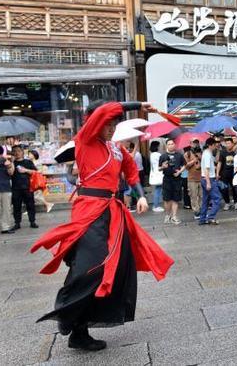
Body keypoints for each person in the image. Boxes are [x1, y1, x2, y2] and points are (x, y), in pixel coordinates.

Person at [30, 100, 173, 351]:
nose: (111, 127)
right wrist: (138, 104)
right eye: (107, 123)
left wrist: (140, 195)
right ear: (93, 120)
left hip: (113, 213)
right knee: (90, 266)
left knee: (114, 268)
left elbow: (130, 172)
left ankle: (79, 330)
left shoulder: (117, 150)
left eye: (114, 124)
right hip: (89, 210)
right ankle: (68, 309)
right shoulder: (85, 139)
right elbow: (105, 112)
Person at [11, 145, 38, 230]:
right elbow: (9, 173)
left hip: (28, 187)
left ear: (22, 152)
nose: (17, 153)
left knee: (30, 205)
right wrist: (11, 162)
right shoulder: (12, 163)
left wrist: (25, 170)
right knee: (16, 206)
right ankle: (17, 223)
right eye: (14, 151)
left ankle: (32, 221)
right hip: (15, 188)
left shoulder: (28, 162)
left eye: (18, 151)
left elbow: (35, 172)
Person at [159, 139, 185, 225]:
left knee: (176, 199)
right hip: (167, 179)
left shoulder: (179, 155)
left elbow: (184, 165)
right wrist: (163, 167)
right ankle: (167, 215)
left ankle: (174, 216)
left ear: (175, 145)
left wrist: (179, 172)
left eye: (172, 144)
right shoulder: (163, 156)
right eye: (169, 144)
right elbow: (158, 168)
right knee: (167, 199)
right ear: (166, 146)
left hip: (177, 179)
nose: (171, 145)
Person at [200, 138, 221, 225]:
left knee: (206, 200)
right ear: (210, 145)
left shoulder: (206, 153)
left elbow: (215, 161)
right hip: (209, 179)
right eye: (214, 145)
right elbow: (207, 170)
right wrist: (208, 182)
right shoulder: (207, 155)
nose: (216, 146)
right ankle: (211, 217)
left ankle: (202, 219)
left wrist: (218, 152)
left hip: (204, 179)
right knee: (217, 199)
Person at [218, 137, 237, 211]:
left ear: (232, 144)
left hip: (233, 174)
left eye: (229, 143)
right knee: (224, 189)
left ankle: (236, 202)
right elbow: (219, 163)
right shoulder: (222, 152)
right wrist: (217, 173)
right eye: (226, 143)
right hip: (224, 174)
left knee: (235, 188)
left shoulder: (234, 152)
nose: (228, 145)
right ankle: (227, 203)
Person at [148, 141, 164, 213]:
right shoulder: (158, 155)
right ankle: (156, 206)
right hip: (159, 174)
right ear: (157, 146)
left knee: (157, 190)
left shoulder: (151, 155)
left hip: (155, 174)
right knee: (158, 190)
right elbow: (162, 163)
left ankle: (156, 205)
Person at [187, 147, 202, 220]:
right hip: (192, 179)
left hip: (201, 177)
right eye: (194, 142)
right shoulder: (187, 154)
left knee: (202, 195)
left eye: (197, 142)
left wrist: (200, 157)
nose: (195, 144)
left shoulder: (200, 152)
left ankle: (201, 210)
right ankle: (196, 212)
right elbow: (186, 166)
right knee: (193, 196)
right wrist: (193, 161)